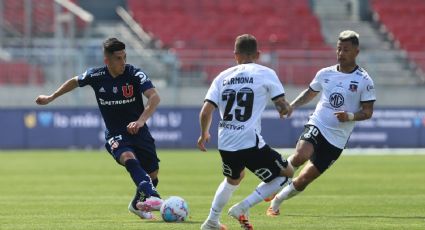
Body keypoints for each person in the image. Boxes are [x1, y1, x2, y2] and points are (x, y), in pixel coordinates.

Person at [35, 38, 163, 220]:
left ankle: (136, 204)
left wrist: (141, 121)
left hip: (139, 131)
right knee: (128, 157)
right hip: (116, 134)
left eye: (124, 57)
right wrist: (51, 97)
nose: (123, 62)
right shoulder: (96, 76)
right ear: (107, 61)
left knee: (153, 174)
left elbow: (154, 97)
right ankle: (153, 196)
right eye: (118, 58)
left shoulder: (135, 74)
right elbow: (74, 81)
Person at [266, 30, 376, 216]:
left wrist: (349, 116)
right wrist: (292, 106)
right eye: (339, 49)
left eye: (346, 50)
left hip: (337, 140)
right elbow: (310, 93)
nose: (341, 53)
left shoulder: (364, 81)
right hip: (318, 124)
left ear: (356, 52)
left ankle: (277, 200)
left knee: (304, 179)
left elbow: (367, 112)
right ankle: (270, 185)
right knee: (301, 155)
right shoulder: (325, 73)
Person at [197, 34, 294, 230]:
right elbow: (281, 105)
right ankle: (242, 207)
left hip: (225, 141)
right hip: (249, 141)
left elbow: (206, 111)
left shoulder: (222, 77)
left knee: (233, 179)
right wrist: (286, 109)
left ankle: (211, 221)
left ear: (235, 55)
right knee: (286, 173)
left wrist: (204, 134)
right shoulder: (265, 73)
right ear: (258, 54)